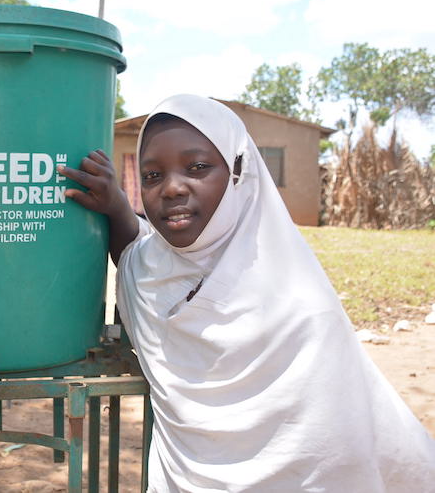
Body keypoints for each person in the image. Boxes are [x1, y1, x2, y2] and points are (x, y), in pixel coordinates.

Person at [57, 94, 435, 492]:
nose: (171, 188)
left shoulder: (300, 307)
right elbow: (132, 250)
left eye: (198, 167)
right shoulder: (150, 272)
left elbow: (331, 455)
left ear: (240, 172)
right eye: (152, 176)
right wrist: (117, 205)